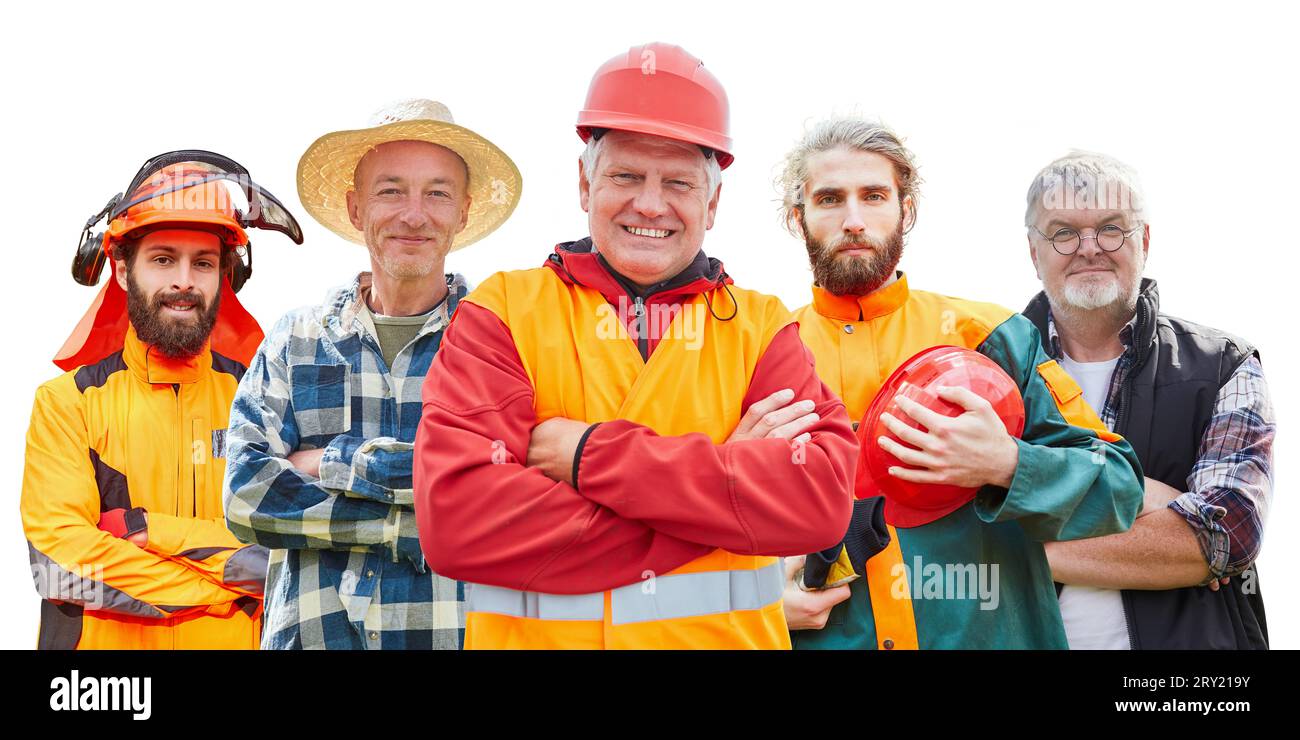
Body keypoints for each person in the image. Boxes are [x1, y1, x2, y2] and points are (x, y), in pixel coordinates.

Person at [413, 43, 857, 649]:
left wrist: (586, 455)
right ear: (584, 182)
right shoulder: (503, 314)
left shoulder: (762, 328)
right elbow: (460, 525)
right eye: (626, 176)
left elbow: (818, 500)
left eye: (678, 181)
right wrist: (723, 499)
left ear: (713, 201)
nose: (650, 204)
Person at [778, 118, 1144, 649]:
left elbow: (1119, 487)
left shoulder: (993, 337)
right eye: (830, 199)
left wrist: (1007, 464)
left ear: (907, 209)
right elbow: (708, 528)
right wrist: (759, 605)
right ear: (799, 218)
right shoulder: (765, 355)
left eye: (875, 196)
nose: (853, 220)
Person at [223, 100, 521, 649]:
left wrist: (331, 461)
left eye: (437, 192)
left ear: (463, 211)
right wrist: (410, 523)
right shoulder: (296, 340)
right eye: (391, 190)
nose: (414, 214)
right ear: (356, 208)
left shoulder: (501, 344)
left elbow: (514, 494)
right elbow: (246, 496)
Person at [22, 151, 301, 648]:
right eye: (163, 259)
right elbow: (59, 566)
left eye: (203, 263)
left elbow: (289, 556)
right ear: (123, 270)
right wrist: (226, 586)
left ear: (224, 278)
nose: (184, 281)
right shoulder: (67, 405)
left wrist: (150, 530)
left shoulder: (265, 402)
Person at [1022, 151, 1273, 649]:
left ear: (1145, 240)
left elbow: (1231, 533)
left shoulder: (1223, 365)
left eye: (1111, 228)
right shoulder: (987, 373)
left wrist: (1020, 546)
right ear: (1034, 251)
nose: (1089, 248)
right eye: (1064, 232)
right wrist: (1170, 507)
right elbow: (947, 535)